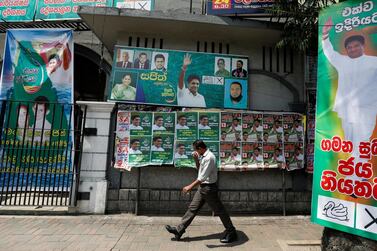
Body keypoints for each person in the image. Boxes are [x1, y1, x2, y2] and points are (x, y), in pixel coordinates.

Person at [322, 18, 377, 161]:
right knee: (350, 145)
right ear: (346, 50)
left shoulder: (374, 62)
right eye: (350, 47)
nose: (353, 49)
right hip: (346, 111)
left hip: (366, 111)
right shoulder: (343, 61)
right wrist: (325, 35)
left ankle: (357, 178)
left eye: (356, 45)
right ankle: (353, 176)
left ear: (363, 46)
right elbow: (329, 52)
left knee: (362, 144)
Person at [165, 140, 237, 243]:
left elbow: (202, 177)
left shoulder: (209, 157)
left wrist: (190, 186)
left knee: (220, 211)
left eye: (196, 150)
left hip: (209, 189)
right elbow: (200, 171)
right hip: (202, 188)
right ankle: (179, 230)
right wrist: (196, 159)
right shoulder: (203, 156)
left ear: (200, 148)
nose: (195, 152)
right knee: (192, 208)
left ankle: (231, 232)